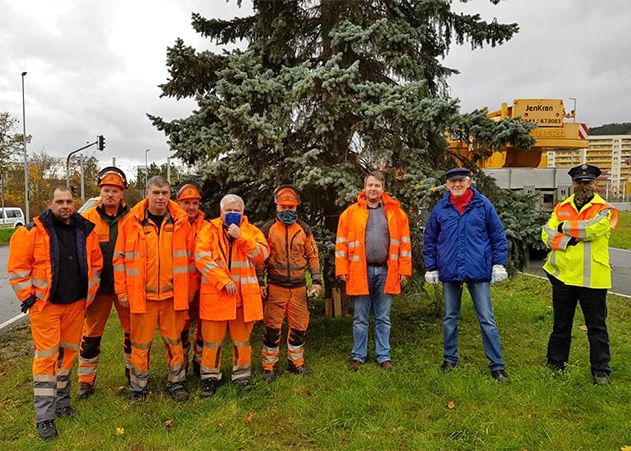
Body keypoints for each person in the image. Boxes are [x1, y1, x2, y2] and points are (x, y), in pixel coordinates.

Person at [8, 186, 102, 439]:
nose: (65, 206)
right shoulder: (32, 231)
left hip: (76, 305)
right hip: (46, 307)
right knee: (46, 360)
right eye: (60, 201)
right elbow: (17, 268)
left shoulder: (85, 230)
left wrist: (89, 295)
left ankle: (62, 404)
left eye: (69, 201)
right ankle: (45, 417)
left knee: (68, 356)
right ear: (49, 203)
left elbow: (95, 264)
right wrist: (29, 298)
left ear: (74, 203)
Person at [423, 167, 509, 382]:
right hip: (450, 270)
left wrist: (498, 263)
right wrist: (431, 266)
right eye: (452, 182)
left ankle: (497, 366)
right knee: (450, 318)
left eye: (461, 181)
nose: (457, 185)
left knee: (486, 319)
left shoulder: (482, 205)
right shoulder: (441, 208)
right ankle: (450, 359)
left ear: (469, 182)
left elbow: (497, 235)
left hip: (478, 269)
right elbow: (430, 239)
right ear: (448, 185)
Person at [113, 176, 193, 401]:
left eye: (165, 193)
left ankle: (177, 383)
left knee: (175, 343)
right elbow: (119, 259)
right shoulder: (130, 222)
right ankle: (138, 387)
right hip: (143, 298)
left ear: (170, 196)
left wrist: (190, 290)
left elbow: (191, 260)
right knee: (140, 345)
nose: (160, 198)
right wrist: (121, 291)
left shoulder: (180, 222)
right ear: (146, 194)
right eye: (156, 193)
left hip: (171, 297)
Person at [541, 164, 618, 385]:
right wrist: (570, 238)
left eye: (588, 182)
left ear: (596, 184)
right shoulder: (562, 206)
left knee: (596, 327)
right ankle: (555, 363)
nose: (583, 186)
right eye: (579, 182)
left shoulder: (606, 209)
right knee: (560, 324)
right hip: (562, 276)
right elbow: (546, 234)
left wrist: (563, 228)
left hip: (592, 278)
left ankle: (600, 370)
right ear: (573, 184)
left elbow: (592, 229)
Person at [335, 171, 412, 372]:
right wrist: (342, 268)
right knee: (360, 317)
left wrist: (404, 269)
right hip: (360, 271)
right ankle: (358, 356)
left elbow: (404, 244)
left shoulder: (396, 213)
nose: (373, 189)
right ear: (364, 187)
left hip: (387, 272)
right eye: (370, 185)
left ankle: (383, 356)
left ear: (383, 188)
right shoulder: (350, 213)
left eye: (377, 185)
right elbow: (341, 244)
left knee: (383, 317)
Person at [195, 194, 269, 397]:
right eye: (229, 210)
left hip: (243, 299)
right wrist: (223, 280)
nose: (233, 213)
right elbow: (201, 259)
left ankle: (242, 377)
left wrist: (240, 237)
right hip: (216, 296)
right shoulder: (208, 231)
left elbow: (262, 255)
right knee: (212, 342)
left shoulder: (251, 231)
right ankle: (210, 378)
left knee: (242, 342)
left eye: (237, 210)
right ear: (221, 211)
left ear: (243, 212)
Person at [258, 186, 322, 382]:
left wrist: (317, 281)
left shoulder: (304, 229)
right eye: (284, 206)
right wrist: (261, 281)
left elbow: (312, 256)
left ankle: (296, 363)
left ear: (297, 207)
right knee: (272, 328)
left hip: (299, 288)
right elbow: (260, 259)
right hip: (276, 287)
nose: (287, 210)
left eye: (291, 206)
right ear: (276, 206)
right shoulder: (268, 229)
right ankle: (268, 367)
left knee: (299, 327)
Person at [77, 167, 131, 399]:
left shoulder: (133, 218)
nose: (110, 194)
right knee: (90, 337)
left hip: (125, 287)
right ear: (100, 191)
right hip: (96, 289)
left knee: (132, 335)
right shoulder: (86, 219)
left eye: (115, 190)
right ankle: (85, 381)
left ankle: (134, 375)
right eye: (106, 190)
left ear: (122, 193)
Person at [176, 180, 207, 376]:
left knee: (204, 325)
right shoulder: (173, 226)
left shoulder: (208, 227)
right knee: (181, 328)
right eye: (186, 202)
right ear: (178, 202)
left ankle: (199, 360)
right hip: (181, 286)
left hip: (204, 285)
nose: (191, 207)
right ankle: (181, 364)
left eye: (195, 203)